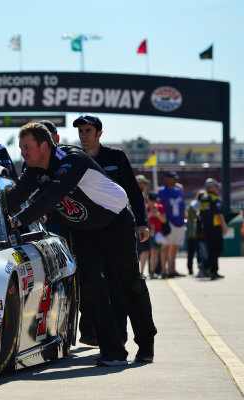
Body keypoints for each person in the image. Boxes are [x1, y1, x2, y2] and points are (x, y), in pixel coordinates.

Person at [6, 122, 156, 366]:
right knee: (91, 288)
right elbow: (14, 197)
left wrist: (19, 221)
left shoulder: (72, 160)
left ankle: (146, 342)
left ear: (45, 146)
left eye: (27, 147)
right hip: (84, 230)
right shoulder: (33, 167)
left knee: (129, 282)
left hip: (115, 222)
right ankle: (114, 352)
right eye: (21, 148)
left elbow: (51, 196)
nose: (23, 152)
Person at [73, 114, 148, 347]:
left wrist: (141, 222)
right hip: (87, 232)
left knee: (119, 284)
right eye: (81, 131)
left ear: (99, 134)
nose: (83, 135)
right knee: (93, 285)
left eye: (88, 130)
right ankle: (102, 337)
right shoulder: (74, 159)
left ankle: (127, 338)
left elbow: (133, 192)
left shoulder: (116, 157)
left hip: (117, 231)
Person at [157, 172, 187, 277]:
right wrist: (163, 220)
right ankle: (164, 271)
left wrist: (184, 217)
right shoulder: (162, 191)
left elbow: (182, 205)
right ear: (167, 179)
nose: (174, 180)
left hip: (179, 221)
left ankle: (172, 270)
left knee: (174, 246)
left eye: (175, 179)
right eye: (172, 178)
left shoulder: (178, 190)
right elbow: (158, 206)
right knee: (165, 246)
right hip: (169, 221)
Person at [199, 178, 228, 280]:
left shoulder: (204, 198)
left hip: (206, 228)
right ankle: (206, 266)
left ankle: (213, 271)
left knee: (212, 250)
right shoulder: (215, 198)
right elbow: (218, 215)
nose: (217, 188)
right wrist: (224, 226)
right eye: (216, 186)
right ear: (211, 187)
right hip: (215, 228)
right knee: (218, 249)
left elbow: (200, 216)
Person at [145, 192, 167, 278]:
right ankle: (152, 271)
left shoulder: (160, 207)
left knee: (161, 251)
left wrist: (157, 215)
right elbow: (144, 219)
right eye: (151, 200)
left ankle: (163, 271)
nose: (153, 202)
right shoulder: (146, 208)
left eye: (154, 200)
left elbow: (164, 220)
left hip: (159, 232)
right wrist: (150, 214)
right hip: (150, 232)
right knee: (153, 252)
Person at [186, 190, 206, 275]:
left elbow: (189, 218)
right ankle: (200, 269)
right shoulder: (203, 206)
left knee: (190, 253)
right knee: (199, 252)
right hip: (200, 233)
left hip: (191, 232)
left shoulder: (192, 205)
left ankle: (190, 269)